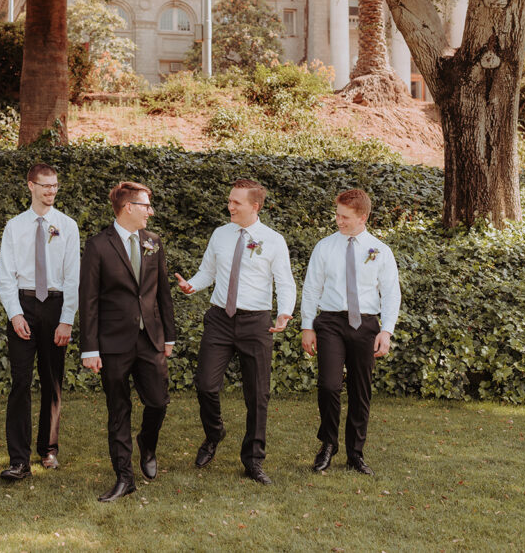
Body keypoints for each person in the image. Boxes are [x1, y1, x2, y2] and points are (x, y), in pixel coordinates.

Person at [175, 179, 295, 485]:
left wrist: (284, 313)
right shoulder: (220, 234)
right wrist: (192, 285)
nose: (230, 206)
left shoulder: (273, 240)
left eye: (236, 203)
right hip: (219, 319)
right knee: (205, 385)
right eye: (229, 201)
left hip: (256, 323)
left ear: (254, 207)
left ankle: (253, 460)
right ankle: (214, 433)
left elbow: (284, 281)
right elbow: (208, 272)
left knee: (258, 395)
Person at [80, 181, 175, 502]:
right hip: (112, 342)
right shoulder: (98, 245)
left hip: (150, 339)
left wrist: (170, 336)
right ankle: (124, 477)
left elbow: (163, 293)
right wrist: (90, 348)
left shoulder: (154, 242)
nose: (151, 211)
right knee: (118, 410)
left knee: (159, 402)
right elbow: (89, 299)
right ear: (128, 207)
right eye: (146, 205)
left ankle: (147, 444)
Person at [301, 189, 401, 476]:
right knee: (329, 386)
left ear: (363, 217)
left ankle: (355, 453)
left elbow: (391, 294)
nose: (338, 221)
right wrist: (308, 325)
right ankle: (328, 445)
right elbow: (311, 288)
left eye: (345, 217)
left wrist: (387, 331)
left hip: (367, 325)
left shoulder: (380, 251)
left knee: (361, 390)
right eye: (337, 215)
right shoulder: (324, 247)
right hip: (331, 322)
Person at [0, 163, 80, 481]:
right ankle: (18, 459)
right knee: (20, 382)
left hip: (56, 306)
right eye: (45, 185)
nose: (51, 191)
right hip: (24, 304)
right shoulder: (14, 227)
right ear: (30, 186)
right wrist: (15, 313)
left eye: (55, 185)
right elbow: (5, 275)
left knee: (52, 380)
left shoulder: (67, 226)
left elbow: (73, 276)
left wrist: (67, 320)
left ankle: (48, 448)